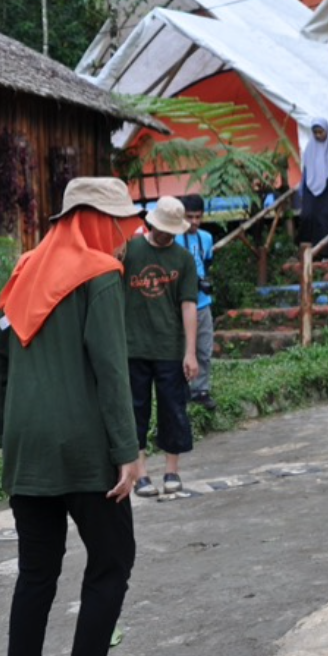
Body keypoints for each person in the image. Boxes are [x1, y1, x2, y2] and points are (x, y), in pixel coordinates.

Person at [0, 177, 149, 656]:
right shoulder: (99, 274)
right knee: (112, 560)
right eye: (119, 224)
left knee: (36, 572)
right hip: (83, 449)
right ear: (97, 221)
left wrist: (11, 434)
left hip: (27, 449)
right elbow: (110, 369)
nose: (125, 235)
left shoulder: (24, 269)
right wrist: (126, 452)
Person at [122, 196, 200, 498]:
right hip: (133, 346)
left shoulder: (183, 259)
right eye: (163, 228)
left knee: (173, 409)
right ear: (152, 223)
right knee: (135, 410)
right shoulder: (130, 250)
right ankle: (141, 474)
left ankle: (171, 471)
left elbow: (189, 305)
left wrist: (190, 352)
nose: (166, 234)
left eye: (172, 230)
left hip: (170, 347)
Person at [175, 194, 217, 411]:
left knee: (204, 347)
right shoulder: (173, 238)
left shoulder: (206, 238)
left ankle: (201, 390)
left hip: (202, 303)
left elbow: (207, 263)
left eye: (198, 217)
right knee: (181, 347)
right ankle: (182, 390)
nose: (194, 222)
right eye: (189, 217)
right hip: (179, 305)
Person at [297, 118, 328, 260]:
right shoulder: (310, 149)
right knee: (308, 216)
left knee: (326, 217)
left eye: (321, 132)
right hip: (311, 188)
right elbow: (306, 170)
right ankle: (310, 253)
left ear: (327, 131)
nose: (318, 135)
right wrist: (302, 189)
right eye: (315, 133)